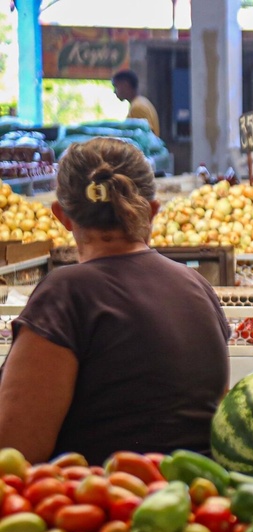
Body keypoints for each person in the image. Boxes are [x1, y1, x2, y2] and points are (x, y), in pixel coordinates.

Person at [0, 138, 230, 465]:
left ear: (62, 216)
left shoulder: (65, 294)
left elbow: (15, 454)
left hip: (109, 509)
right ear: (152, 212)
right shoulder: (197, 286)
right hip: (199, 504)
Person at [112, 70, 160, 137]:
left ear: (125, 85)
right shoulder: (141, 102)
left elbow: (146, 138)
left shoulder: (138, 107)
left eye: (116, 87)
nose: (114, 91)